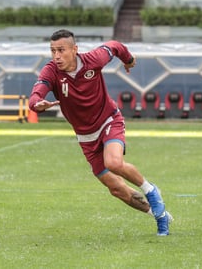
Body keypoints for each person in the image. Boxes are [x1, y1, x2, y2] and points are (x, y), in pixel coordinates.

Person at [29, 29, 173, 236]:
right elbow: (36, 94)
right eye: (53, 51)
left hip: (108, 121)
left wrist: (129, 60)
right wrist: (37, 104)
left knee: (113, 162)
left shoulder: (92, 60)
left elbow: (115, 46)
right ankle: (159, 216)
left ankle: (151, 190)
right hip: (85, 137)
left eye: (61, 50)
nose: (56, 56)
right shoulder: (51, 72)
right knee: (116, 189)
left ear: (74, 49)